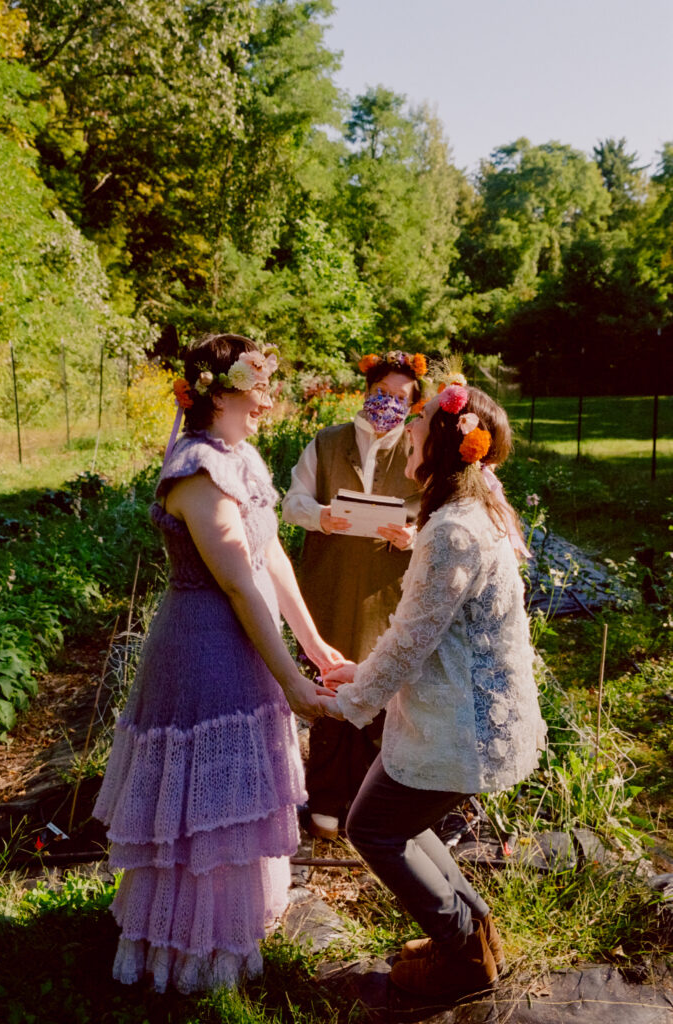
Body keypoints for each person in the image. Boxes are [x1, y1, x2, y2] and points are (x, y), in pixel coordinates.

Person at [94, 333, 341, 995]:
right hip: (202, 646)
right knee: (205, 806)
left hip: (247, 637)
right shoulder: (197, 469)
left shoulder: (242, 457)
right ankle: (188, 956)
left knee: (236, 800)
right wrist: (291, 681)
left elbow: (270, 557)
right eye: (260, 384)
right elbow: (235, 581)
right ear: (222, 390)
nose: (269, 399)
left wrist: (312, 646)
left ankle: (233, 931)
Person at [324, 383, 546, 1004]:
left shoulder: (453, 529)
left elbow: (410, 641)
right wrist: (361, 675)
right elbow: (420, 632)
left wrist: (349, 700)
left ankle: (464, 958)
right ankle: (475, 935)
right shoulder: (474, 509)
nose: (409, 432)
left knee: (372, 828)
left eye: (418, 424)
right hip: (465, 716)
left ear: (441, 441)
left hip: (465, 726)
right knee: (396, 821)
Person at [281, 351, 426, 840]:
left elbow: (436, 513)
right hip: (335, 580)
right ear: (366, 392)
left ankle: (368, 802)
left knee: (381, 684)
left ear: (414, 404)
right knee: (332, 680)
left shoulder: (417, 448)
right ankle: (324, 800)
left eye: (400, 398)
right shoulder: (328, 442)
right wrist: (320, 515)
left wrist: (413, 532)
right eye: (381, 393)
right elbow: (292, 501)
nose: (389, 404)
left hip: (389, 586)